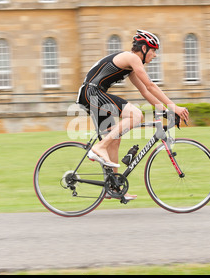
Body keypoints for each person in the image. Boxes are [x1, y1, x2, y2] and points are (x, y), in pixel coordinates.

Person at [76, 30, 189, 199]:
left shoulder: (131, 65)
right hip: (91, 93)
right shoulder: (133, 58)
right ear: (144, 48)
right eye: (153, 50)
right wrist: (174, 106)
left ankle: (113, 187)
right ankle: (99, 147)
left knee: (115, 139)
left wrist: (164, 110)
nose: (155, 55)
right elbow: (150, 85)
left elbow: (144, 91)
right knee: (136, 115)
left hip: (91, 95)